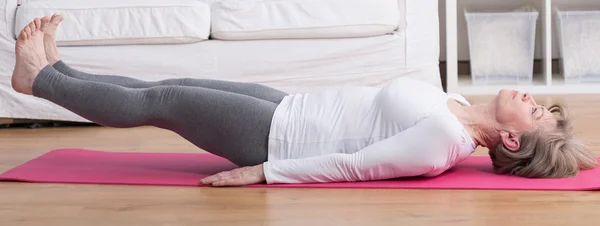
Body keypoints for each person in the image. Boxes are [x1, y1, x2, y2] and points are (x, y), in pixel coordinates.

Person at [11, 15, 598, 187]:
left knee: (162, 100)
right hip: (287, 106)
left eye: (538, 110)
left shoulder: (442, 143)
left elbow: (353, 167)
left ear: (514, 138)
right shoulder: (460, 104)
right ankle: (61, 68)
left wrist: (265, 173)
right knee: (170, 86)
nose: (530, 96)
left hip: (273, 137)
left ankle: (41, 83)